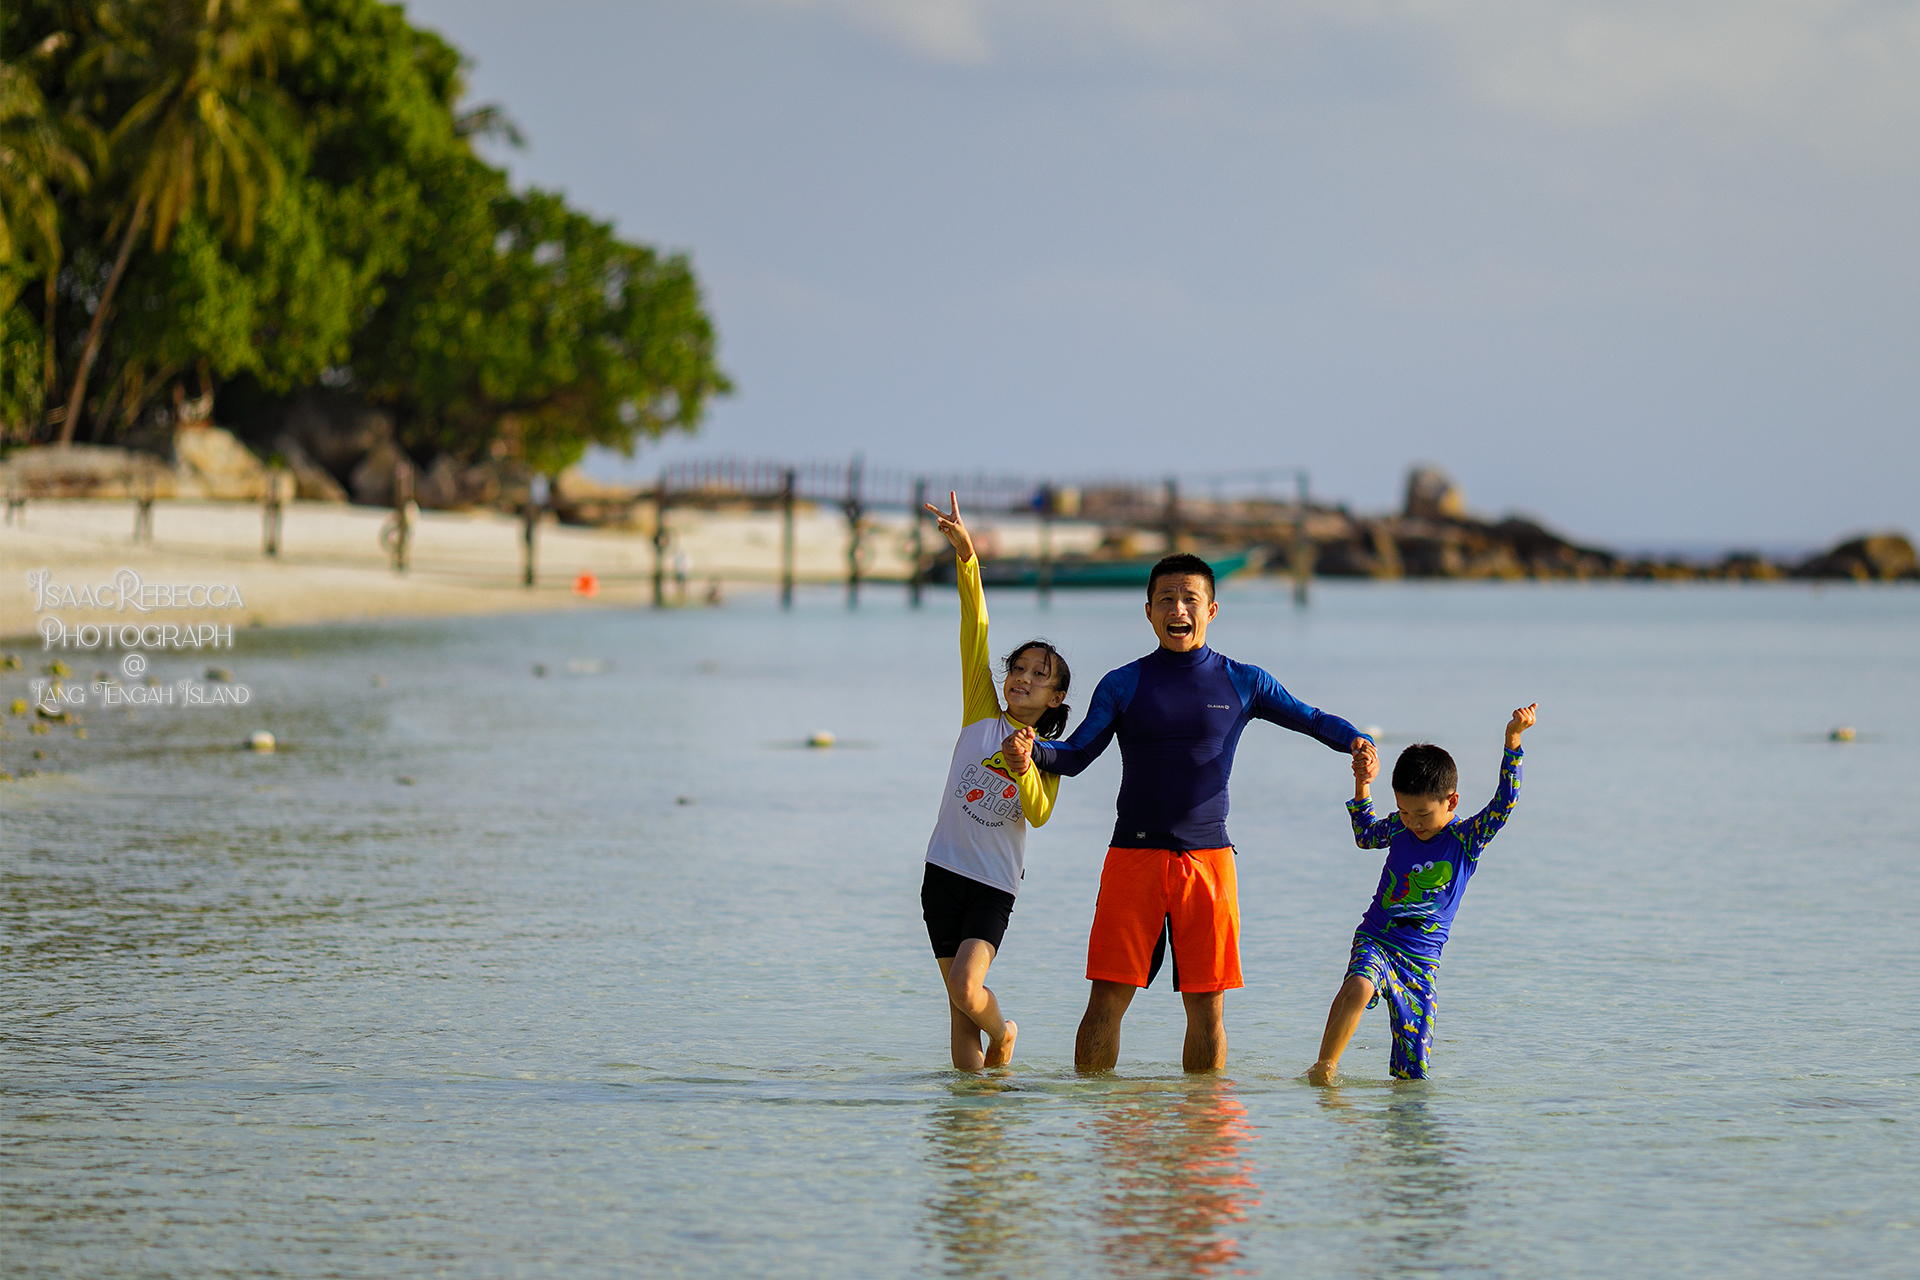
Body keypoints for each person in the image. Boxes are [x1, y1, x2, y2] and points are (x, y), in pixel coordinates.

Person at [1001, 553, 1370, 1073]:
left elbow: (1310, 718)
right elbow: (1077, 756)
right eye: (1167, 599)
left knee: (1207, 1007)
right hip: (1133, 858)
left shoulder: (1243, 681)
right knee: (1106, 1001)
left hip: (1208, 861)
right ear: (1148, 611)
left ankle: (1204, 1128)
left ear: (1212, 610)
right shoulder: (1122, 684)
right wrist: (1032, 753)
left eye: (1190, 599)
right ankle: (1098, 1127)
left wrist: (1356, 740)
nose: (1179, 609)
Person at [920, 492, 1072, 1071]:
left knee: (967, 989)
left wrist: (1023, 764)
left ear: (1056, 697)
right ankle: (974, 1141)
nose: (1023, 679)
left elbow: (1038, 813)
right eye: (1018, 668)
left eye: (1040, 675)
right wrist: (967, 559)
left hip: (991, 887)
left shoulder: (1052, 753)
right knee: (960, 1026)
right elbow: (974, 627)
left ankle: (1005, 1032)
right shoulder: (981, 710)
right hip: (941, 875)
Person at [1306, 704, 1537, 1084]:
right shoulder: (1399, 828)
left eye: (1422, 814)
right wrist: (1363, 783)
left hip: (1421, 962)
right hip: (1378, 937)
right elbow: (1365, 836)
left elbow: (1503, 805)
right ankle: (1323, 1070)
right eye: (1403, 811)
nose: (1412, 823)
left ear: (1452, 802)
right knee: (1360, 985)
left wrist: (1513, 742)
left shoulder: (1466, 839)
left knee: (1411, 1077)